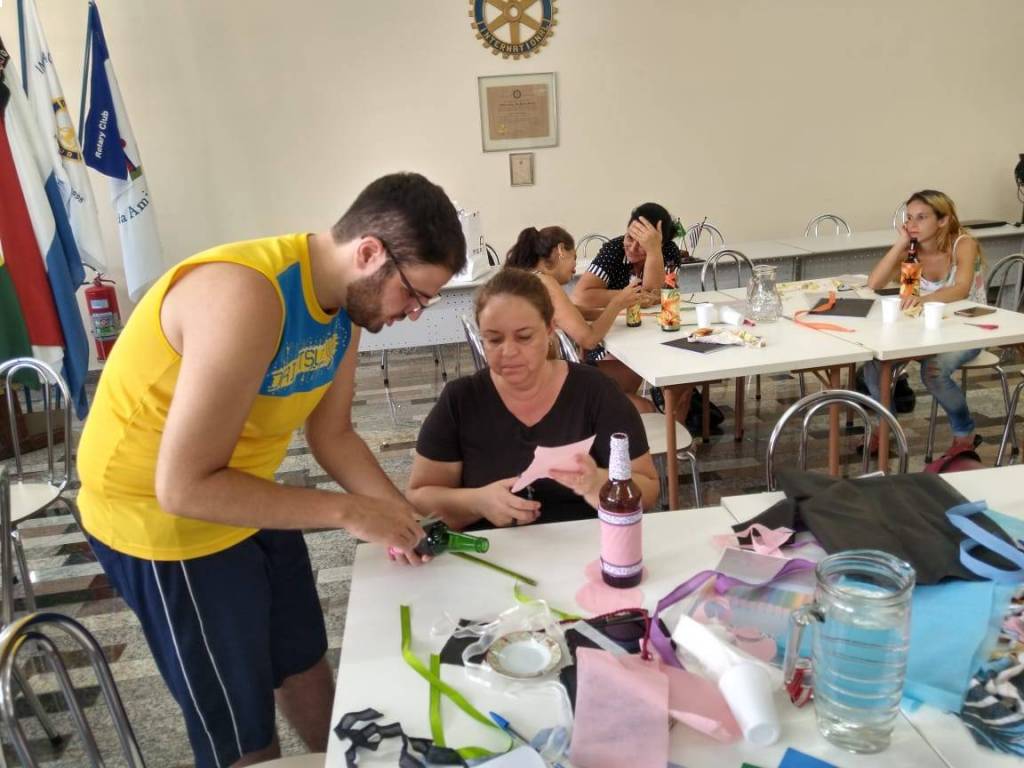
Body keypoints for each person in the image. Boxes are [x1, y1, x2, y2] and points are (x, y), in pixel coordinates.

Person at [76, 173, 466, 767]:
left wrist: (405, 518)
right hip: (161, 521)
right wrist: (349, 512)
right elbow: (182, 488)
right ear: (369, 253)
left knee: (303, 660)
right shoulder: (247, 295)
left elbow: (332, 434)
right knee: (241, 724)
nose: (414, 313)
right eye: (413, 294)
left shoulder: (344, 308)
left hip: (248, 490)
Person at [408, 268, 660, 529]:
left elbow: (649, 488)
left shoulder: (595, 392)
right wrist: (478, 502)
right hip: (493, 548)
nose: (509, 351)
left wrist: (598, 484)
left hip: (587, 546)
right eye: (493, 340)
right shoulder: (461, 401)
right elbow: (420, 498)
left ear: (550, 329)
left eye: (524, 337)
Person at [864, 189, 986, 454]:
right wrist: (900, 243)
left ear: (942, 220)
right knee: (874, 366)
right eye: (909, 218)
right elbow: (874, 283)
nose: (912, 224)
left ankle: (964, 433)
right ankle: (886, 427)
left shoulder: (962, 244)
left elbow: (961, 288)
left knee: (933, 370)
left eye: (921, 217)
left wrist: (923, 300)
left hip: (968, 330)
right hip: (924, 330)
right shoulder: (912, 250)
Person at [504, 225, 645, 406]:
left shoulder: (529, 278)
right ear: (561, 250)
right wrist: (617, 303)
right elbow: (589, 340)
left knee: (631, 372)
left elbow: (573, 311)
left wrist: (620, 310)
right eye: (574, 258)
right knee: (644, 404)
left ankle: (607, 410)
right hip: (549, 387)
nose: (575, 267)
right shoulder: (545, 283)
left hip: (531, 378)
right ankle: (603, 412)